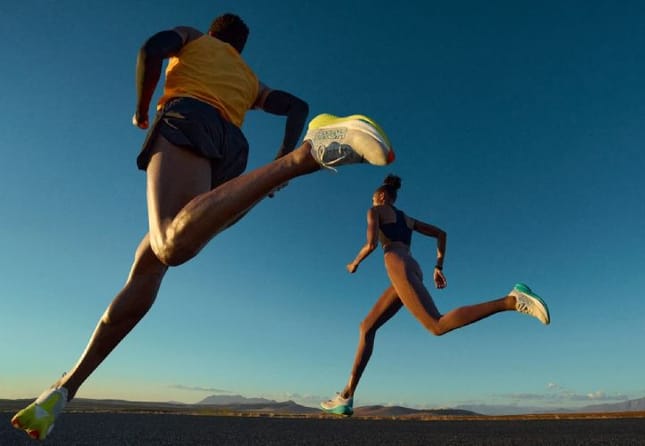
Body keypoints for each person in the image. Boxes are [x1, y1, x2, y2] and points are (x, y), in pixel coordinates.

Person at [11, 13, 393, 441]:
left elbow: (151, 49)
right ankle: (66, 388)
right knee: (150, 264)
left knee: (171, 244)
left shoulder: (194, 39)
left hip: (189, 117)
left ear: (214, 33)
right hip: (233, 148)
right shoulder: (250, 79)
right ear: (241, 47)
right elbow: (296, 106)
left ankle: (306, 156)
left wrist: (141, 109)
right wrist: (278, 146)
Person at [320, 174, 549, 416]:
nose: (372, 202)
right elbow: (442, 234)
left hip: (397, 265)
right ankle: (346, 396)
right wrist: (438, 266)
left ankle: (511, 301)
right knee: (367, 327)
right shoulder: (407, 219)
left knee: (436, 325)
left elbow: (371, 244)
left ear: (382, 196)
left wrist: (354, 263)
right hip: (411, 266)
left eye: (374, 198)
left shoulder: (375, 211)